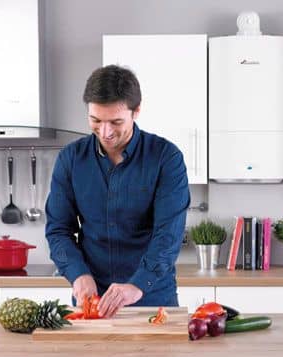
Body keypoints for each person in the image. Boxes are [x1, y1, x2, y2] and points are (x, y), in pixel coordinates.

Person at [45, 64, 190, 318]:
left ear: (137, 111)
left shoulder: (166, 158)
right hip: (92, 301)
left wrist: (137, 284)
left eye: (116, 122)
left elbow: (168, 236)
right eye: (96, 121)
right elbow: (59, 230)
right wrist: (78, 274)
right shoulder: (70, 159)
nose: (105, 132)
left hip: (152, 298)